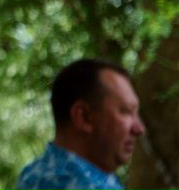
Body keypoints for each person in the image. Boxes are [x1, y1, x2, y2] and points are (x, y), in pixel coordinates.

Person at [16, 58, 146, 190]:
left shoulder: (32, 174)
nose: (139, 129)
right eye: (125, 111)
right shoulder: (90, 186)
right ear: (83, 116)